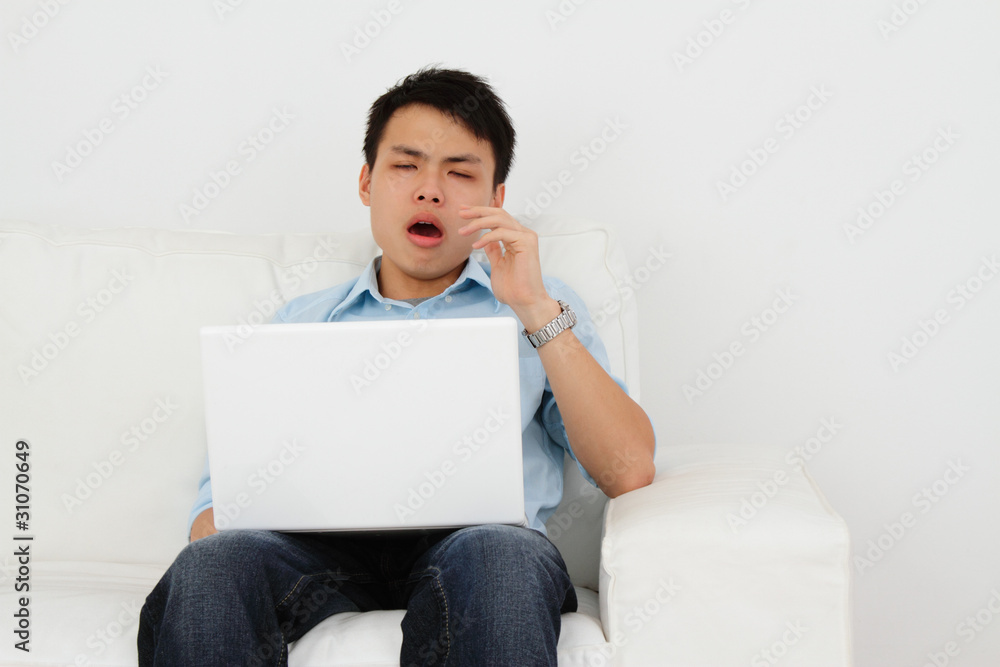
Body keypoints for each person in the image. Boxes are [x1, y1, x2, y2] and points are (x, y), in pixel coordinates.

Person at [138, 66, 656, 666]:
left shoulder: (542, 307)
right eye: (405, 166)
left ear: (496, 200)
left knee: (500, 558)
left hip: (480, 548)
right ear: (366, 181)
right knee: (211, 565)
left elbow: (628, 469)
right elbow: (213, 519)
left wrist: (535, 310)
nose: (430, 190)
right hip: (318, 554)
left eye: (460, 173)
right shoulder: (300, 323)